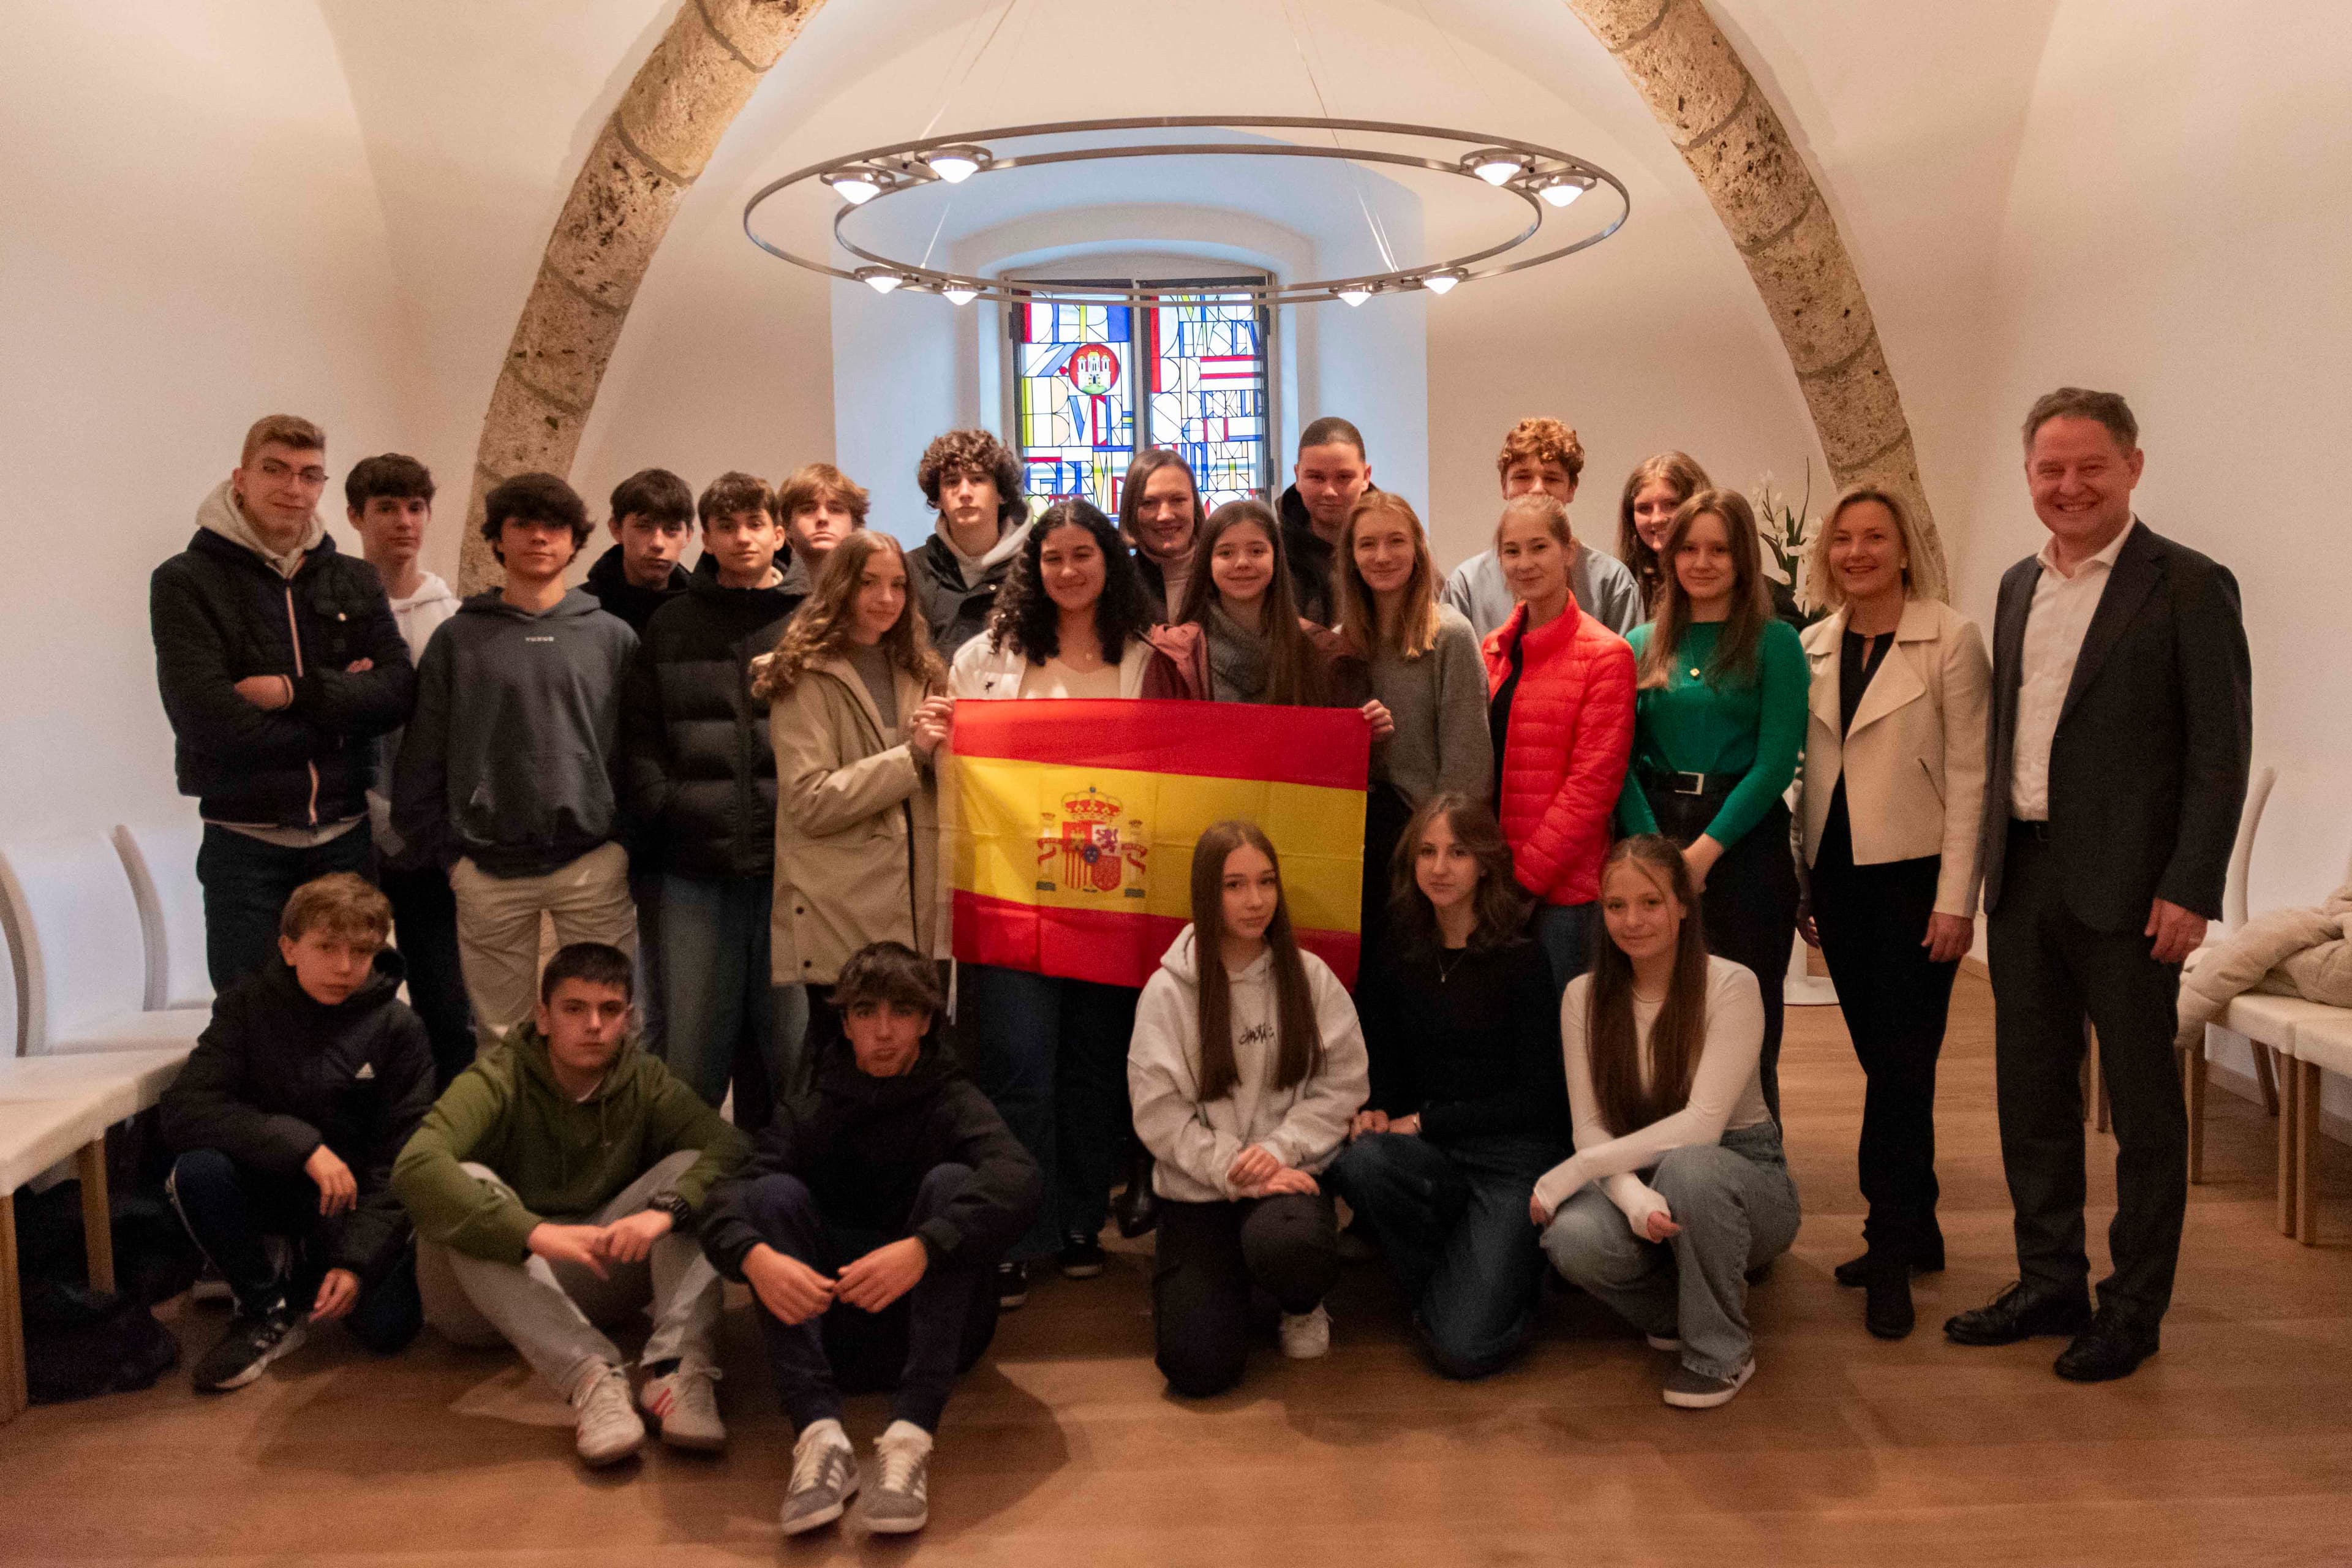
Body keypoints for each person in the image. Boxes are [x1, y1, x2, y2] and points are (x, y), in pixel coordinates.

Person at [1945, 388, 2250, 1382]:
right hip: (2025, 874)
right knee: (2031, 1096)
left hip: (2134, 892)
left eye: (2089, 467)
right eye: (2049, 469)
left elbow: (2217, 753)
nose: (2067, 487)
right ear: (2029, 474)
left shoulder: (2191, 586)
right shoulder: (2013, 587)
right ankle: (2050, 1283)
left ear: (2133, 466)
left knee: (2141, 1109)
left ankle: (2133, 1307)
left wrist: (2192, 885)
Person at [699, 942, 1041, 1539]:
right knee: (772, 1196)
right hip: (832, 1330)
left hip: (938, 1334)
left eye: (902, 1012)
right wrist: (753, 1257)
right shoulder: (813, 1101)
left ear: (928, 1020)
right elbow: (728, 1197)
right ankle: (818, 1435)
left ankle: (911, 1437)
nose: (884, 1031)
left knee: (953, 1186)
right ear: (845, 1022)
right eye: (866, 1012)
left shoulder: (950, 1095)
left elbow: (1019, 1179)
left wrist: (926, 1246)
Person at [948, 499, 1188, 1297]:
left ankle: (1083, 1216)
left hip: (1115, 897)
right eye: (1053, 558)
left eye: (1084, 555)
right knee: (1018, 1063)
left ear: (1109, 562)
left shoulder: (1148, 656)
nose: (1069, 571)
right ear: (1033, 567)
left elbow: (1178, 770)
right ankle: (1020, 1228)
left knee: (1094, 1067)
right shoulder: (986, 657)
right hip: (1015, 897)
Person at [393, 942, 749, 1466]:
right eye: (575, 1009)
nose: (594, 1026)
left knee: (689, 1176)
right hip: (478, 1302)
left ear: (627, 1019)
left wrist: (661, 1213)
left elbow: (731, 1147)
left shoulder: (643, 1079)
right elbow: (415, 1165)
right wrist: (529, 1232)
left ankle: (674, 1372)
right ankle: (589, 1375)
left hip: (593, 1276)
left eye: (609, 1011)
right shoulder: (501, 1076)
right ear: (543, 1017)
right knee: (466, 1180)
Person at [1795, 484, 1991, 1339]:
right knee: (1886, 1059)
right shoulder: (1812, 645)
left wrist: (1958, 902)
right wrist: (1804, 886)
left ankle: (1888, 1245)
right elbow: (1805, 777)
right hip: (1838, 881)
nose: (1859, 553)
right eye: (1844, 540)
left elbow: (1974, 777)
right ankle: (1924, 1222)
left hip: (1916, 884)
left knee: (1905, 1066)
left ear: (1905, 548)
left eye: (1876, 537)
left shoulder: (1951, 638)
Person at [1532, 835, 1800, 1409]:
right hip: (1641, 1174)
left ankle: (1722, 1352)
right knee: (1571, 1238)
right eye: (1616, 906)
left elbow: (1701, 1128)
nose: (1633, 921)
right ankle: (1677, 1308)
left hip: (1737, 1174)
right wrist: (1632, 1201)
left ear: (1683, 904)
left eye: (1651, 903)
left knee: (1691, 1172)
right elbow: (1591, 1127)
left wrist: (1576, 1172)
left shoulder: (1731, 985)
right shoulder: (1583, 996)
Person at [151, 413, 415, 991]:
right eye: (275, 470)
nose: (292, 489)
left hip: (344, 839)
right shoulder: (185, 581)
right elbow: (210, 723)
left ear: (323, 487)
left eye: (309, 475)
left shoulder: (355, 579)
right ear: (240, 478)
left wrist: (293, 692)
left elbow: (397, 692)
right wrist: (346, 721)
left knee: (356, 1013)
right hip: (245, 845)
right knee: (253, 1020)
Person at [392, 472, 639, 1048]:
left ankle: (606, 1140)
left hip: (591, 864)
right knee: (501, 1036)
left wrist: (622, 844)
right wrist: (451, 858)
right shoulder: (459, 639)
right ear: (497, 539)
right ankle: (512, 1141)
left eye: (554, 526)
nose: (539, 538)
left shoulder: (612, 637)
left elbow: (639, 751)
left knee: (606, 1030)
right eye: (522, 525)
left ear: (575, 540)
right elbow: (422, 755)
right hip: (486, 869)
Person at [160, 873, 435, 1391]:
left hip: (350, 1203)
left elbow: (403, 1155)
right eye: (326, 947)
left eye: (361, 951)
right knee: (196, 1170)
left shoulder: (399, 1028)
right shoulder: (246, 1007)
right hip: (269, 1182)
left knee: (388, 1329)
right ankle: (264, 1305)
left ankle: (311, 1268)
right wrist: (303, 1147)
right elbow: (184, 1109)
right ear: (288, 949)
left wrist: (356, 1262)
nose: (345, 967)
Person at [1324, 796, 1564, 1379]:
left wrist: (1426, 1122)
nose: (1440, 867)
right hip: (1436, 1151)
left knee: (1463, 1351)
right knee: (1360, 1162)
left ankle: (1501, 1282)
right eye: (1427, 852)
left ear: (1484, 863)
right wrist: (1379, 1109)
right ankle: (1467, 1275)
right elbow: (1385, 1060)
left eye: (1458, 852)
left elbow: (1539, 1100)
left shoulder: (1523, 958)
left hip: (1512, 1157)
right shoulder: (1400, 952)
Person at [1128, 821, 1369, 1398]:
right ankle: (1226, 1280)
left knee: (1291, 1249)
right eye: (1234, 885)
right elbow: (1159, 1114)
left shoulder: (1309, 977)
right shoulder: (1168, 992)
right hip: (1201, 1189)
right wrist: (1235, 1167)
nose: (1254, 901)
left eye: (1266, 883)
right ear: (1207, 892)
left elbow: (1344, 1084)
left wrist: (1276, 1152)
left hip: (1288, 1180)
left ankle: (1299, 1302)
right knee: (1197, 1370)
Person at [621, 472, 809, 1131]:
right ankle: (685, 1197)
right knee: (692, 1052)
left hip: (792, 867)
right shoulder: (673, 623)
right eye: (726, 526)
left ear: (779, 534)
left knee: (793, 1052)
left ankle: (787, 1195)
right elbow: (640, 734)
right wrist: (667, 806)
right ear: (708, 537)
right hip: (695, 867)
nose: (742, 538)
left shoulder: (809, 619)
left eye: (755, 524)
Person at [1615, 489, 1806, 1119]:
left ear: (1743, 558)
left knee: (1746, 1009)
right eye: (1689, 548)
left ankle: (1756, 1156)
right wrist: (1654, 859)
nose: (1702, 562)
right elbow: (1617, 757)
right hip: (1655, 833)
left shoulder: (1775, 643)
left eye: (1719, 549)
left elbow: (1776, 761)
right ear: (1670, 559)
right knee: (1661, 1009)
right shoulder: (1642, 641)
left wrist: (1701, 855)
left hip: (1742, 840)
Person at [752, 530, 952, 1025]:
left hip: (916, 913)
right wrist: (913, 756)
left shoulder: (922, 669)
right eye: (869, 583)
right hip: (840, 914)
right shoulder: (803, 675)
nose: (887, 599)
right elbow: (810, 802)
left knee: (911, 1073)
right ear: (842, 587)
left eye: (898, 585)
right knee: (842, 1072)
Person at [1330, 491, 1493, 998]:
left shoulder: (1450, 635)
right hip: (1354, 838)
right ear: (1351, 557)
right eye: (1368, 544)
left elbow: (1468, 764)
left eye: (1396, 542)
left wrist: (1436, 850)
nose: (1382, 557)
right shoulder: (1341, 641)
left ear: (1419, 550)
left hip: (1421, 837)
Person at [345, 453, 475, 1087]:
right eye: (386, 508)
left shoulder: (453, 616)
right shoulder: (333, 612)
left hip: (430, 838)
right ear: (354, 517)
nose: (403, 522)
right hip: (349, 828)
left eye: (415, 508)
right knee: (350, 1004)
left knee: (448, 1005)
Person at [1483, 493, 1637, 994]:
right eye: (1511, 551)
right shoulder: (1492, 650)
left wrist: (1523, 883)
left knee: (1569, 1046)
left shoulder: (1607, 656)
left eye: (1539, 547)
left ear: (1569, 552)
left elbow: (1591, 788)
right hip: (1494, 885)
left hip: (1565, 899)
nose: (1524, 564)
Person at [1444, 418, 1644, 638]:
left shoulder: (1612, 583)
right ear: (1504, 486)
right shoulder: (1466, 585)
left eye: (1551, 478)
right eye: (1523, 477)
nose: (1538, 489)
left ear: (1571, 489)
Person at [1155, 499, 1341, 706]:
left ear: (1276, 558)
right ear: (1207, 562)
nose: (1242, 563)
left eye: (1257, 551)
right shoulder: (1180, 653)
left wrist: (1370, 722)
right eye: (1226, 553)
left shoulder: (1317, 647)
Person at [907, 429, 1032, 659]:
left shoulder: (1034, 567)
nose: (964, 492)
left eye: (978, 479)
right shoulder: (911, 570)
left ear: (1002, 494)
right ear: (938, 499)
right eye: (952, 482)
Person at [1277, 416, 1376, 625]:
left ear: (1366, 477)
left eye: (1343, 478)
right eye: (1316, 477)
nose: (1330, 492)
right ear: (1298, 476)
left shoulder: (1396, 543)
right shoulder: (1272, 549)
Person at [584, 468, 695, 635]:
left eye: (672, 529)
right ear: (617, 529)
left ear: (688, 536)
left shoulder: (705, 619)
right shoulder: (578, 611)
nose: (658, 543)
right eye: (644, 526)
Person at [1615, 451, 1712, 615]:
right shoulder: (1622, 589)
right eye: (1644, 508)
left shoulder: (1748, 587)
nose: (1657, 519)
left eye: (1672, 504)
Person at [1118, 448, 1207, 622]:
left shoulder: (1223, 575)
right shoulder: (1117, 584)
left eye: (1178, 500)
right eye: (1149, 503)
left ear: (1195, 506)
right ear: (1131, 511)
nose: (1165, 515)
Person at [775, 461, 869, 594]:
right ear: (786, 526)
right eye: (807, 510)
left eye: (835, 510)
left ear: (855, 525)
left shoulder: (872, 595)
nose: (822, 518)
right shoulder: (768, 594)